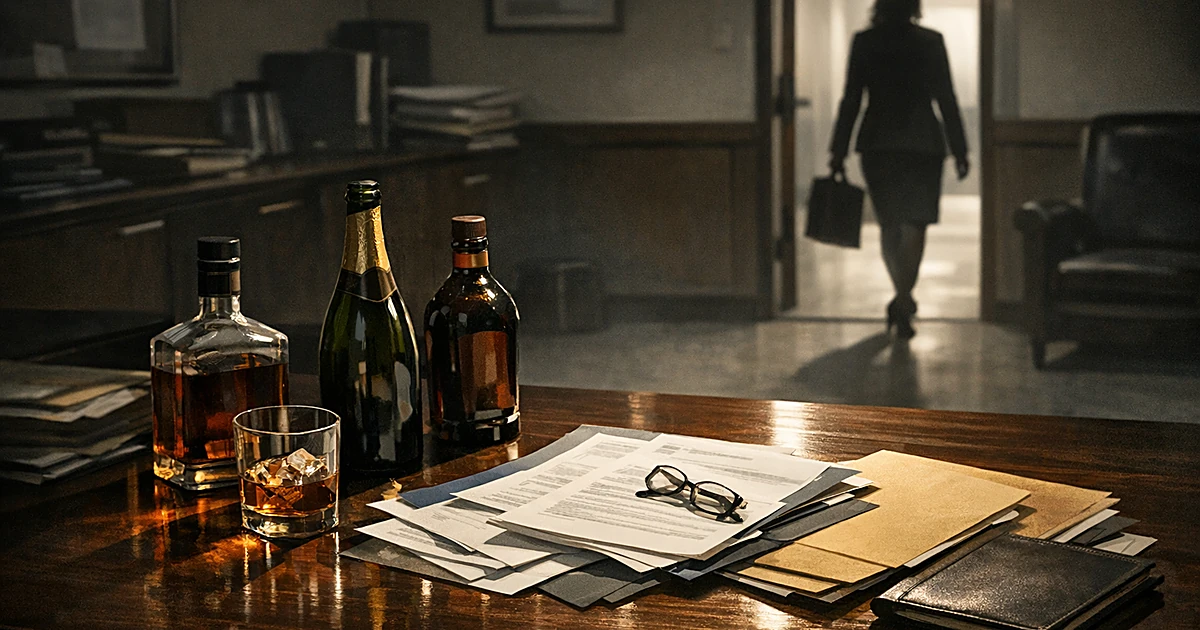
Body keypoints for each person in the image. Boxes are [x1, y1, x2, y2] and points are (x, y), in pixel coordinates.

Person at [829, 0, 969, 339]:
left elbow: (851, 98)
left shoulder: (865, 42)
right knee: (916, 225)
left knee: (889, 225)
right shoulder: (930, 41)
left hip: (878, 143)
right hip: (923, 143)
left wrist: (838, 150)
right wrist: (961, 149)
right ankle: (904, 301)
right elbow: (946, 97)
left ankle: (902, 300)